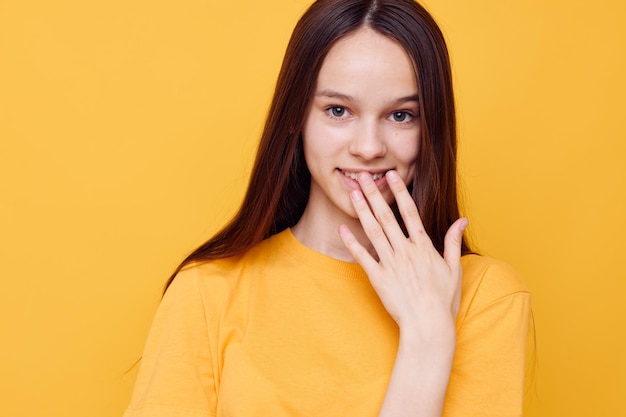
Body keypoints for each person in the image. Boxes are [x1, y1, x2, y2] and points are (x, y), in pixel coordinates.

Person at [124, 0, 532, 416]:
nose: (369, 147)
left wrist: (428, 338)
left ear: (433, 128)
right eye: (338, 110)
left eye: (401, 115)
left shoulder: (484, 297)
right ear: (295, 116)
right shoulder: (207, 292)